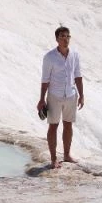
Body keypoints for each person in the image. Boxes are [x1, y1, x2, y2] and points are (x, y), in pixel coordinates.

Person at [37, 26, 84, 169]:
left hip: (70, 94)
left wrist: (81, 95)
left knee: (68, 124)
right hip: (55, 95)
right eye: (62, 36)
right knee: (53, 126)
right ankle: (53, 159)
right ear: (57, 39)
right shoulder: (49, 57)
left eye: (67, 36)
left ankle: (67, 155)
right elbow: (45, 79)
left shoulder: (74, 55)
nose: (65, 39)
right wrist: (41, 99)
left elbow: (78, 75)